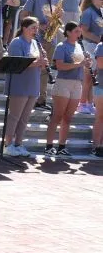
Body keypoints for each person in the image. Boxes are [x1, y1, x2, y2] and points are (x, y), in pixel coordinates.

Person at [43, 22, 89, 158]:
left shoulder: (80, 46)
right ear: (68, 32)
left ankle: (62, 146)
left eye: (79, 31)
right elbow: (60, 66)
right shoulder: (61, 46)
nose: (78, 34)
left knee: (68, 117)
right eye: (76, 31)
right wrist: (79, 64)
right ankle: (49, 146)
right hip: (63, 82)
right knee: (57, 116)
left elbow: (80, 66)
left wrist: (86, 65)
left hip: (77, 83)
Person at [3, 17, 47, 157]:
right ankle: (8, 145)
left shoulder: (35, 43)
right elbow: (18, 63)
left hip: (33, 84)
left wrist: (42, 62)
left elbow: (37, 64)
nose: (36, 30)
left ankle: (18, 144)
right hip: (19, 84)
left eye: (37, 27)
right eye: (33, 27)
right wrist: (37, 62)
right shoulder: (17, 42)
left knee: (25, 117)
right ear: (24, 28)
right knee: (14, 116)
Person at [21, 0, 62, 110]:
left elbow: (55, 19)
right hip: (36, 38)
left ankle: (41, 100)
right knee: (35, 68)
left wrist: (57, 19)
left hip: (51, 38)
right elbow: (24, 15)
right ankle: (29, 97)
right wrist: (38, 25)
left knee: (45, 69)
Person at [79, 0, 103, 114]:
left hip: (96, 46)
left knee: (93, 76)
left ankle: (89, 103)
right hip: (89, 45)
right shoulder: (88, 12)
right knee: (88, 76)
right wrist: (98, 39)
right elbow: (83, 31)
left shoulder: (100, 12)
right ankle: (82, 102)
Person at [91, 39, 103, 157]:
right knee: (100, 117)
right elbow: (100, 64)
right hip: (101, 87)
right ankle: (96, 147)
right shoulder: (101, 45)